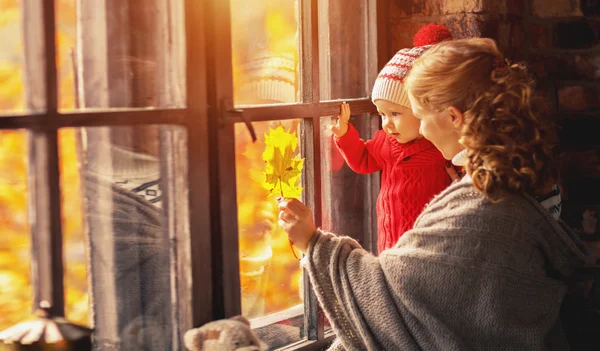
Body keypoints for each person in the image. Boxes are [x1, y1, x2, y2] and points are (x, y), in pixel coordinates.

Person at [277, 38, 590, 350]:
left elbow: (389, 293)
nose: (423, 131)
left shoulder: (479, 208)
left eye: (422, 117)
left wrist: (313, 242)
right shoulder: (522, 176)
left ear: (454, 117)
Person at [331, 24, 454, 253]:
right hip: (389, 243)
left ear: (421, 109)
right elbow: (363, 160)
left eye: (395, 114)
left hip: (432, 245)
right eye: (382, 114)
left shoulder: (441, 148)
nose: (386, 123)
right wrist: (345, 135)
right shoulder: (386, 143)